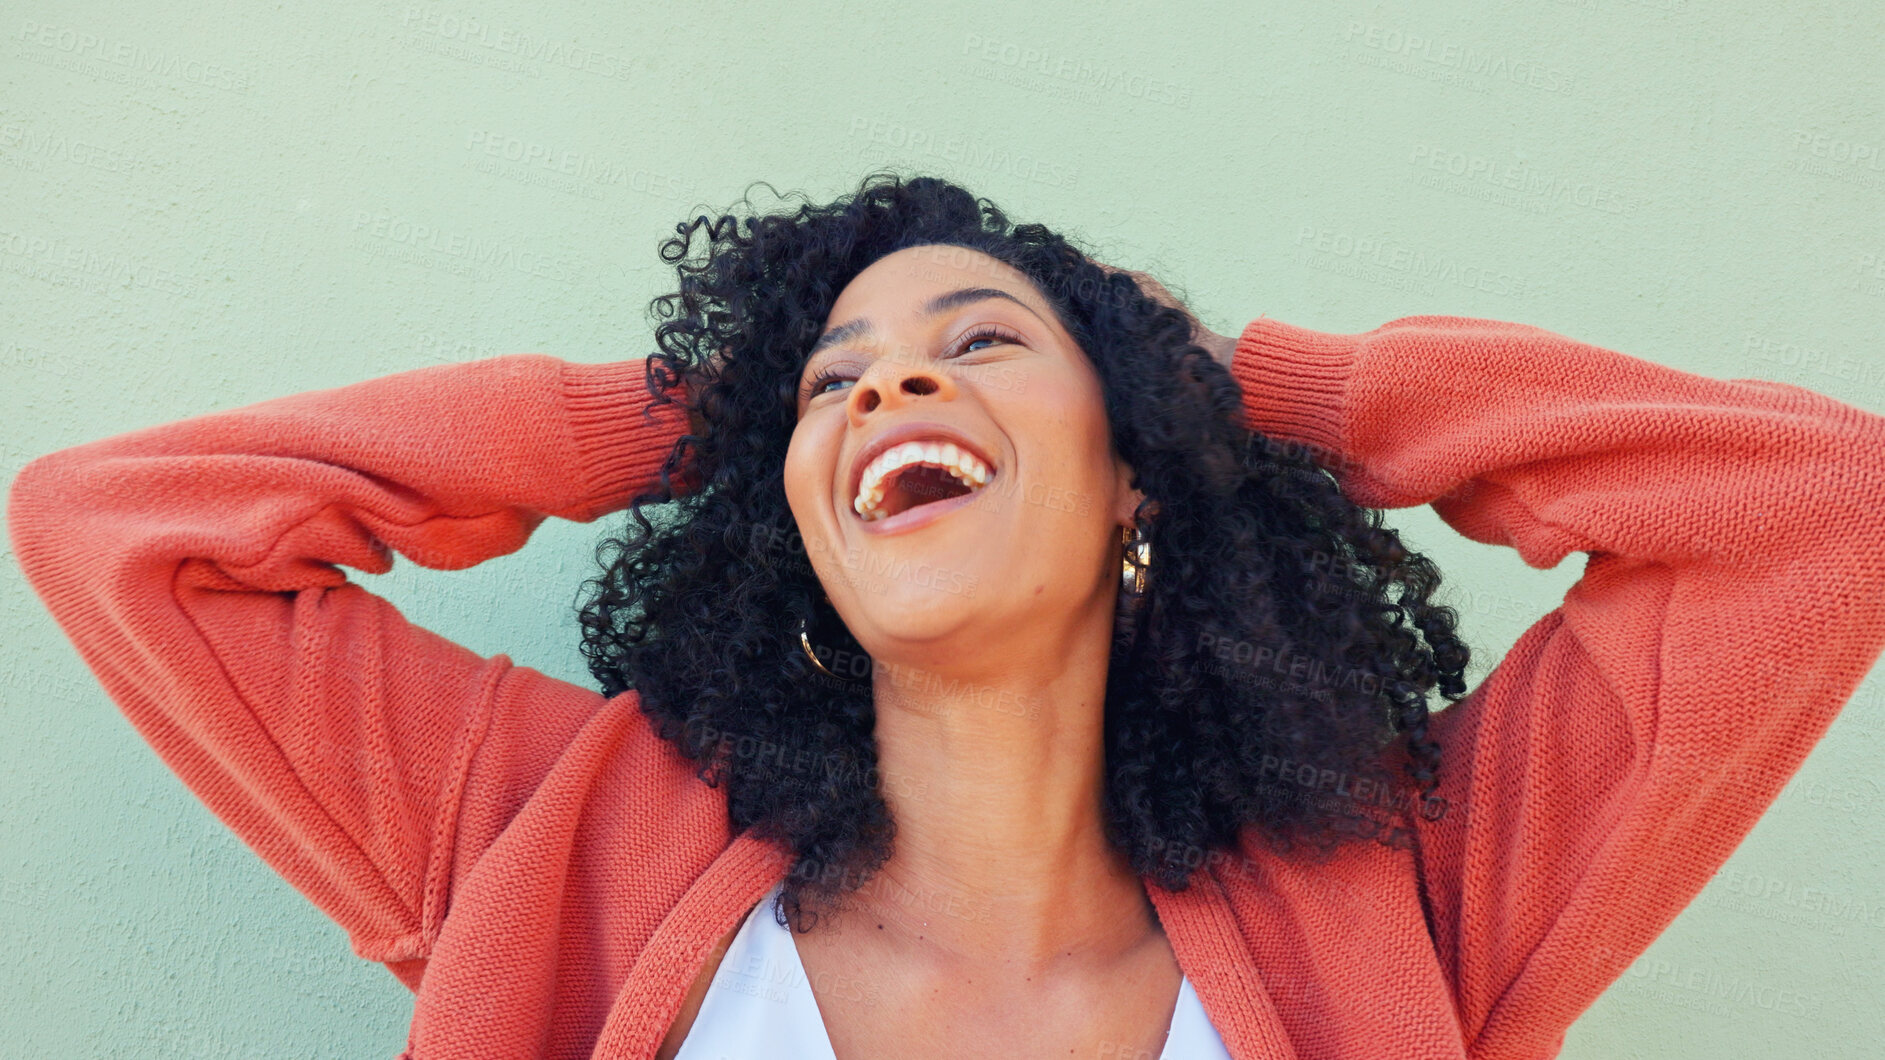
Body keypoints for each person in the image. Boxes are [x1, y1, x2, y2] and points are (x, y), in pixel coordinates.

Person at [8, 171, 1883, 1060]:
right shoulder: (551, 837)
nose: (890, 395)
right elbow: (123, 529)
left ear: (1136, 466)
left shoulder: (1405, 899)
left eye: (980, 346)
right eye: (833, 384)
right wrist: (695, 416)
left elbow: (1818, 512)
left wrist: (1230, 382)